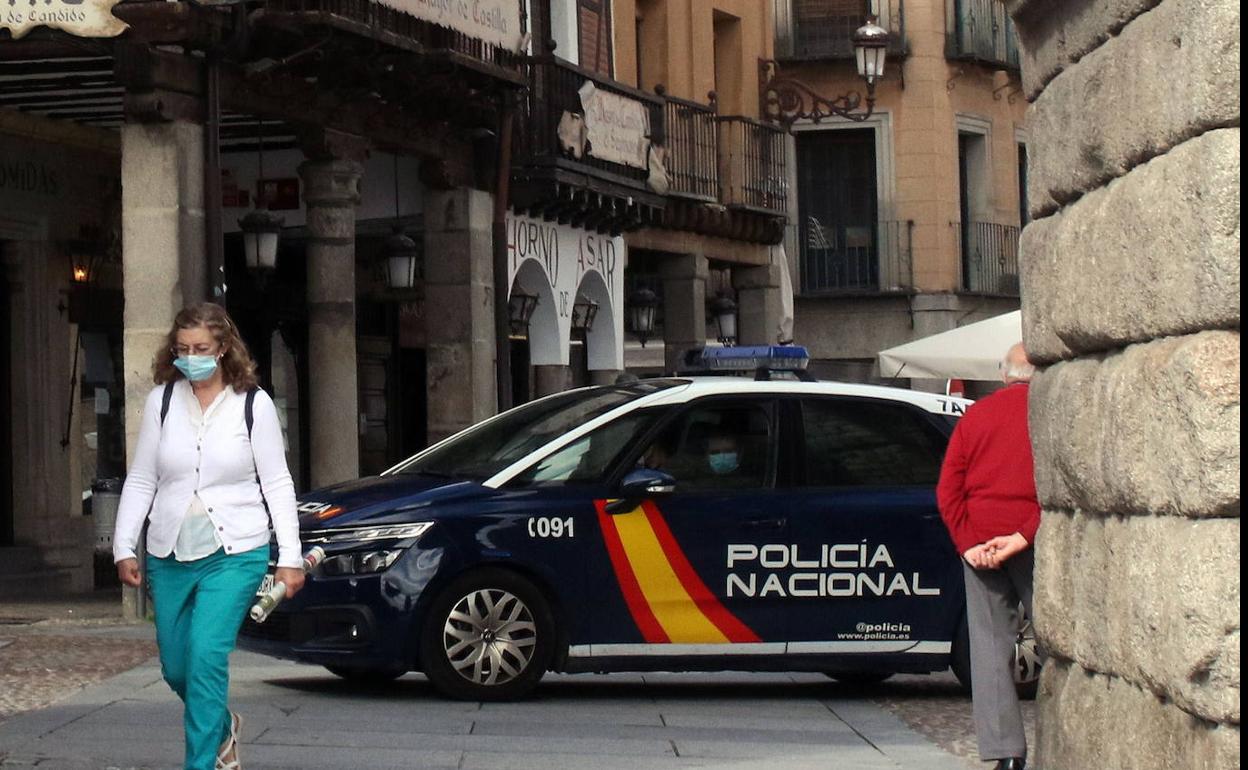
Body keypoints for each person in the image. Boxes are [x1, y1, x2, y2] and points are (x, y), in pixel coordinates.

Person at [112, 303, 304, 770]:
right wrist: (122, 545)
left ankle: (202, 763)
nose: (190, 357)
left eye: (200, 348)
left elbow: (277, 483)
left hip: (236, 551)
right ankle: (222, 728)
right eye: (182, 349)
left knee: (205, 656)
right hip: (168, 552)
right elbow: (141, 478)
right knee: (177, 668)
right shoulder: (162, 401)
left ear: (222, 349)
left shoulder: (251, 404)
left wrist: (291, 557)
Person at [936, 342, 1041, 770]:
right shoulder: (1046, 416)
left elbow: (948, 490)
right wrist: (1023, 536)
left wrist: (969, 544)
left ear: (1003, 375)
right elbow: (1059, 488)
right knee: (1058, 644)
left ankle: (1006, 755)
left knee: (989, 650)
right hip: (1032, 542)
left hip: (980, 543)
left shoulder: (974, 417)